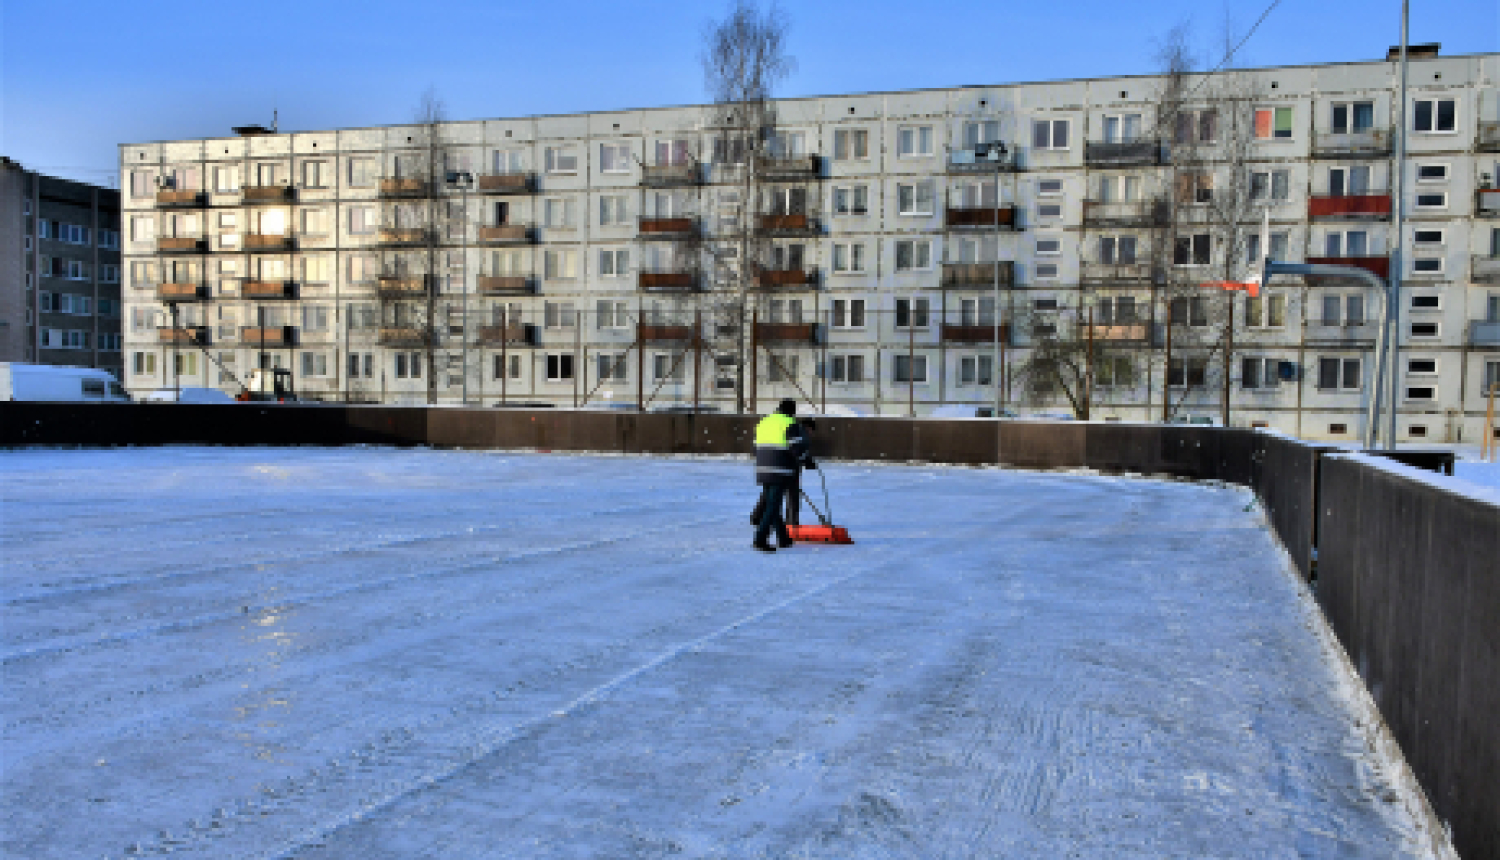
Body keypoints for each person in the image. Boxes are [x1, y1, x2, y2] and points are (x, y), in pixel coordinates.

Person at [751, 399, 814, 553]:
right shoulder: (789, 424)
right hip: (780, 469)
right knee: (773, 505)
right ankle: (760, 539)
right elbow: (796, 448)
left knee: (772, 503)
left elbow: (754, 448)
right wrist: (807, 460)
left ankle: (783, 538)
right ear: (792, 411)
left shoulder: (764, 422)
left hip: (762, 468)